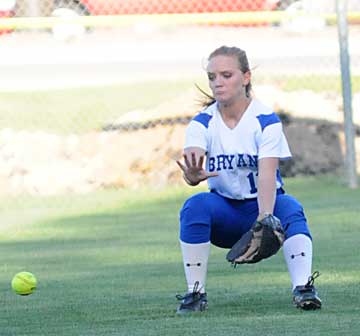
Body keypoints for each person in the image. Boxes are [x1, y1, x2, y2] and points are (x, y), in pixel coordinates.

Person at [175, 45, 322, 314]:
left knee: (290, 207)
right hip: (225, 212)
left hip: (262, 207)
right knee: (194, 206)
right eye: (212, 76)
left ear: (246, 77)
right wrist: (191, 177)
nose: (217, 82)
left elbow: (267, 174)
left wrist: (265, 218)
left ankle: (303, 289)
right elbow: (192, 165)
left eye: (226, 75)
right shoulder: (202, 123)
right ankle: (195, 293)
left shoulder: (265, 120)